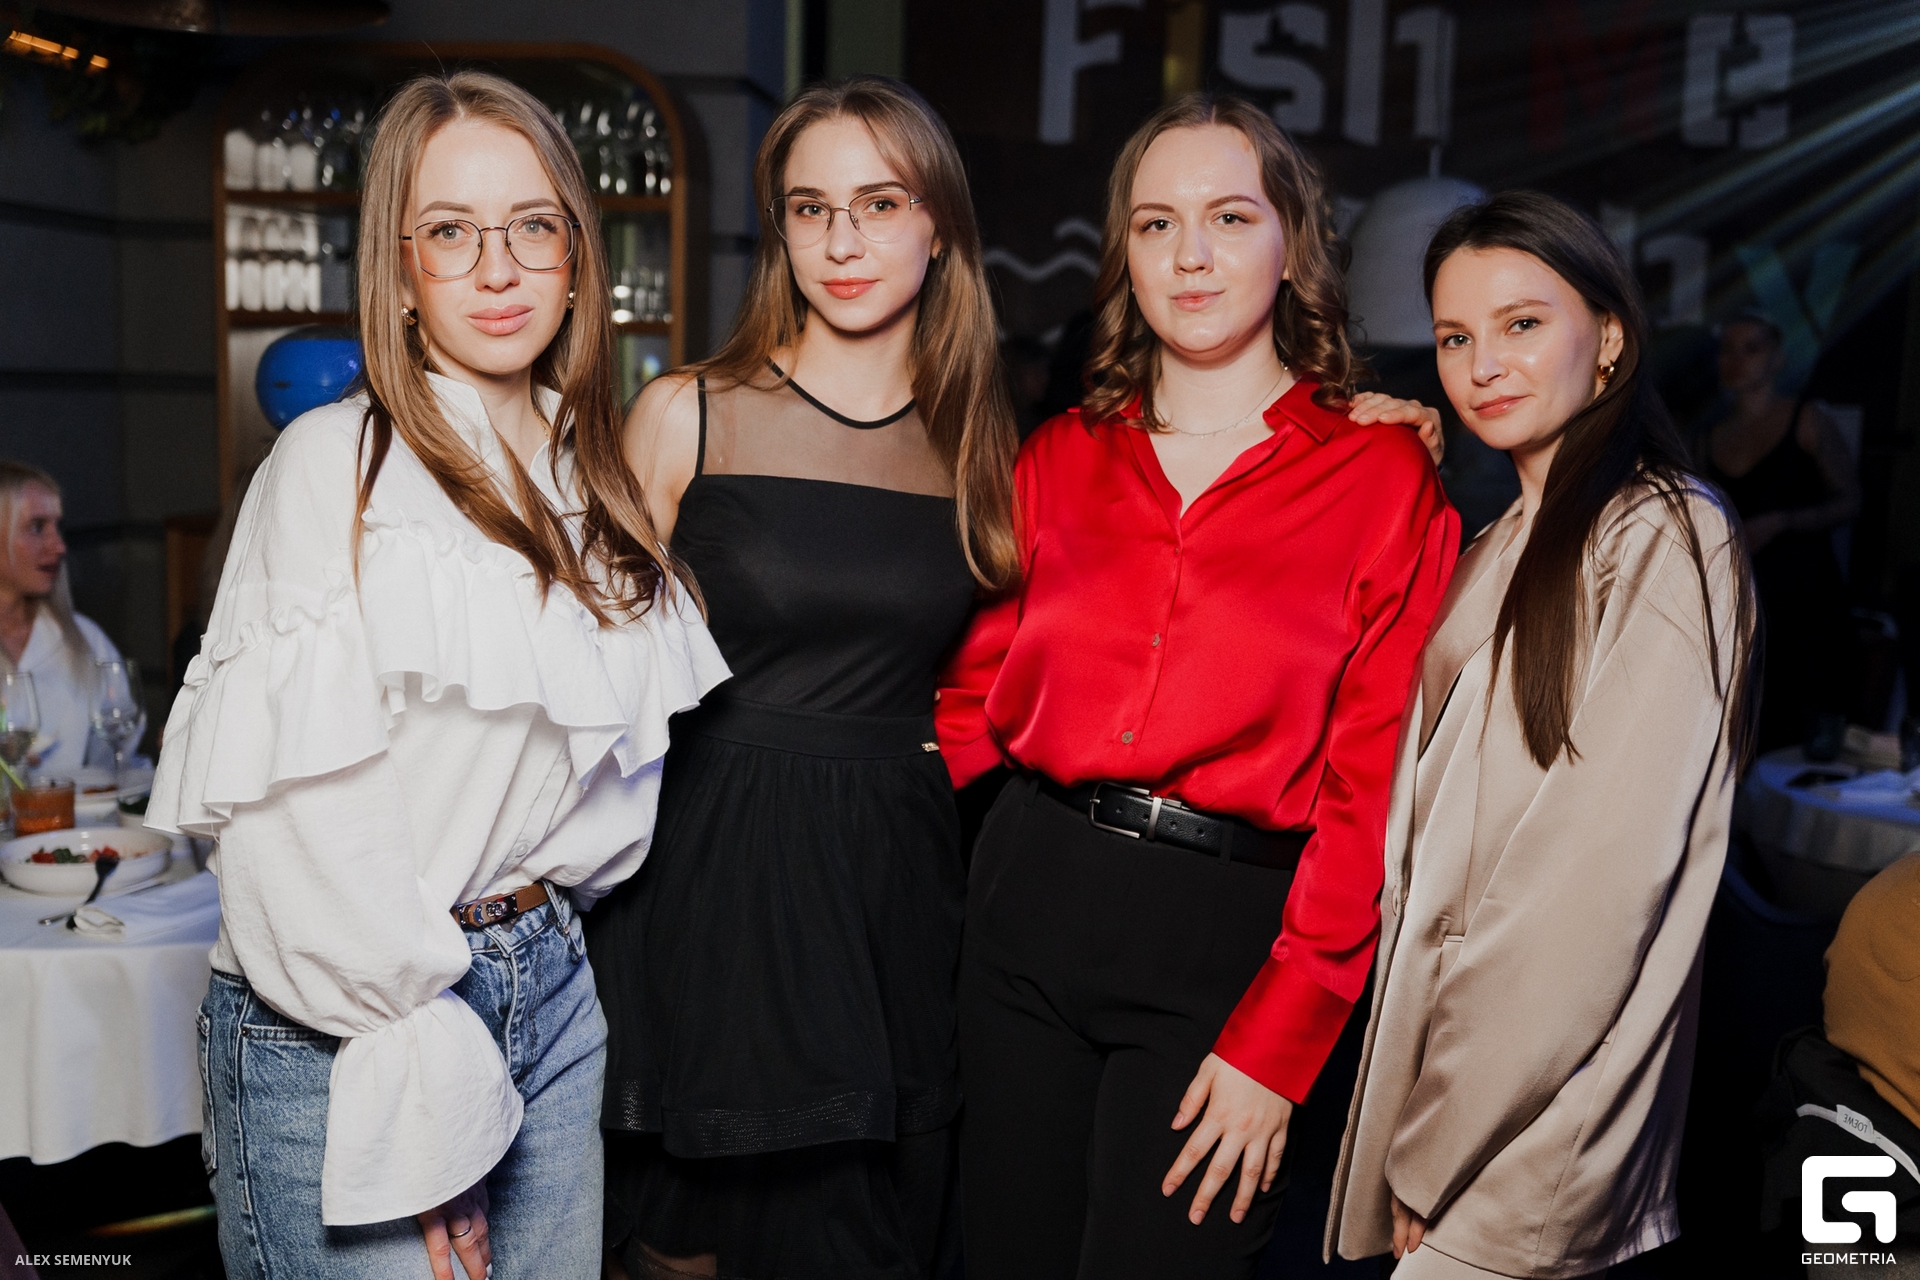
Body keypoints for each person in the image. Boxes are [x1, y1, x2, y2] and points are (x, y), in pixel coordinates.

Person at [146, 71, 725, 1280]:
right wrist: (430, 1105)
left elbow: (603, 805)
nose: (498, 269)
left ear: (577, 255)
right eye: (451, 232)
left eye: (532, 226)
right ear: (400, 272)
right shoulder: (332, 466)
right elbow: (299, 835)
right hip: (355, 1028)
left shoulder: (589, 479)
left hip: (549, 988)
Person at [937, 93, 1456, 1278]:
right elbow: (966, 708)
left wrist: (1286, 1035)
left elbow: (1371, 790)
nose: (1191, 254)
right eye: (1156, 222)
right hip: (1027, 894)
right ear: (1124, 253)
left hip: (1227, 939)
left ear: (1292, 242)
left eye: (1229, 217)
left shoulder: (1380, 475)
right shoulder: (1059, 456)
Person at [583, 78, 1017, 1280]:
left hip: (893, 876)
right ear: (780, 230)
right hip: (712, 865)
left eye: (880, 203)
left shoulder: (983, 443)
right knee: (690, 1238)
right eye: (811, 207)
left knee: (865, 1234)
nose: (842, 240)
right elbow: (584, 675)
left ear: (939, 226)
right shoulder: (688, 412)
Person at [1327, 191, 1757, 1278]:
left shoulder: (1668, 531)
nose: (1483, 365)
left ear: (1608, 336)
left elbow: (1594, 880)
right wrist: (1387, 474)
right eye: (1454, 338)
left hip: (1534, 1124)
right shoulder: (1500, 540)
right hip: (1463, 1089)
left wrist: (1439, 1139)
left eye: (1521, 323)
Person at [1699, 313, 1859, 751]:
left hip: (1805, 601)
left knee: (1798, 734)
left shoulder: (1806, 420)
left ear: (1777, 359)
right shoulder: (1709, 437)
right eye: (1728, 350)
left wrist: (1784, 521)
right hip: (1739, 601)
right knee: (1740, 733)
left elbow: (1850, 500)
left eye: (1751, 349)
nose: (1737, 360)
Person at [0, 461, 131, 774]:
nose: (58, 547)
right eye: (37, 527)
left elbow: (119, 763)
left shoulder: (86, 641)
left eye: (57, 527)